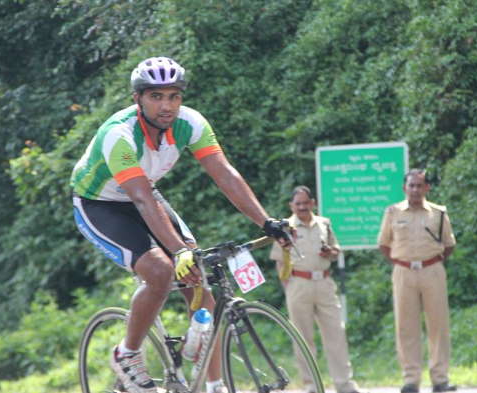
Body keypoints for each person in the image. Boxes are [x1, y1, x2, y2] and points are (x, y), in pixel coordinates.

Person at [71, 56, 290, 393]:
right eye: (156, 96)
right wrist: (177, 250)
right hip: (100, 204)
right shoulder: (119, 134)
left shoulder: (191, 123)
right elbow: (142, 199)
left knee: (196, 275)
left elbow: (224, 175)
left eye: (174, 96)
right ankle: (127, 353)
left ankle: (214, 384)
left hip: (145, 195)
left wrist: (267, 222)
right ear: (137, 99)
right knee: (161, 271)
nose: (167, 106)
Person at [270, 185, 362, 393]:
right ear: (291, 206)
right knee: (303, 337)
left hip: (324, 282)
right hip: (298, 283)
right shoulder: (285, 229)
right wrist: (288, 287)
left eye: (306, 203)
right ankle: (310, 384)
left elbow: (336, 250)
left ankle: (344, 383)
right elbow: (279, 261)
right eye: (298, 204)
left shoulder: (324, 224)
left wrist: (330, 252)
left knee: (336, 333)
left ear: (313, 203)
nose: (302, 207)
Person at [377, 169, 457, 393]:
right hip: (403, 271)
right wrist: (402, 261)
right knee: (406, 326)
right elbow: (384, 244)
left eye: (419, 185)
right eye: (411, 186)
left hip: (432, 270)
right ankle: (411, 379)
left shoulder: (438, 213)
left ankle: (440, 379)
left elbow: (449, 244)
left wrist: (431, 261)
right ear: (404, 188)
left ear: (426, 188)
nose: (415, 190)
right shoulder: (393, 212)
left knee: (438, 325)